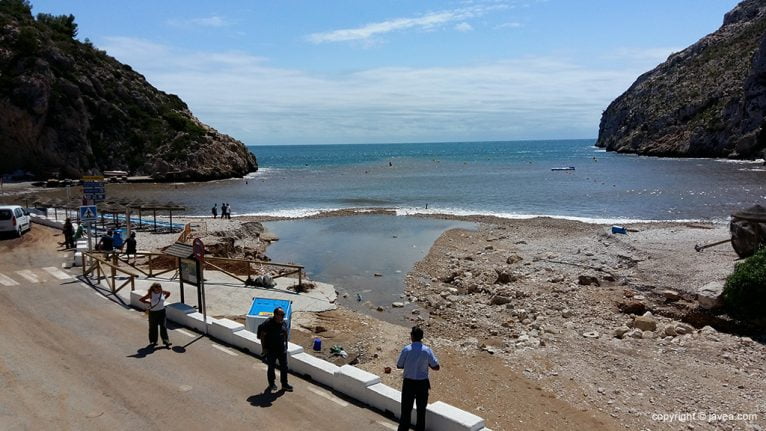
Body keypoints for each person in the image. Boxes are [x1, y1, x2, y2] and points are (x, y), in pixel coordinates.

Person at [396, 326, 440, 431]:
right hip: (422, 384)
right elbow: (436, 367)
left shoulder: (406, 349)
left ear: (412, 336)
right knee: (421, 410)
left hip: (409, 383)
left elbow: (399, 365)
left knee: (406, 409)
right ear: (421, 337)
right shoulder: (427, 350)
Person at [257, 307, 293, 392]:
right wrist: (264, 348)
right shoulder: (268, 323)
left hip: (281, 349)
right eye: (282, 314)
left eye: (283, 314)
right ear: (276, 315)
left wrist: (285, 346)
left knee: (284, 367)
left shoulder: (283, 323)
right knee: (271, 367)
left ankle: (284, 384)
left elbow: (285, 334)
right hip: (271, 350)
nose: (283, 316)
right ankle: (271, 383)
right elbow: (262, 335)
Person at [139, 282, 172, 348]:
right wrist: (149, 303)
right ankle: (153, 341)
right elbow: (141, 299)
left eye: (159, 287)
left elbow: (169, 293)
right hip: (153, 313)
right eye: (157, 287)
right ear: (153, 288)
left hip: (162, 311)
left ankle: (166, 341)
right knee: (153, 327)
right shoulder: (151, 294)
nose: (158, 288)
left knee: (163, 326)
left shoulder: (162, 292)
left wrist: (164, 299)